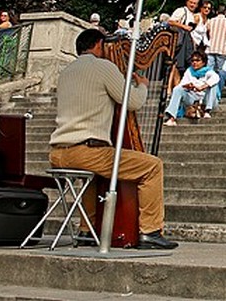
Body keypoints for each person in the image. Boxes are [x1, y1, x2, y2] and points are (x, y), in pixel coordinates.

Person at [48, 28, 177, 249]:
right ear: (99, 45)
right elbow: (133, 102)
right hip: (85, 152)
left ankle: (86, 229)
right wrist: (143, 86)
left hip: (58, 153)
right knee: (152, 166)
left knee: (94, 176)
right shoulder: (103, 67)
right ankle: (150, 231)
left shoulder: (66, 71)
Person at [163, 51, 219, 125]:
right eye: (193, 60)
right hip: (193, 98)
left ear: (203, 62)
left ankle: (207, 111)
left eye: (197, 60)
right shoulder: (189, 71)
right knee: (177, 89)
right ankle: (171, 118)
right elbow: (182, 84)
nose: (194, 63)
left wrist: (202, 87)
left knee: (213, 86)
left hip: (206, 100)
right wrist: (188, 86)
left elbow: (216, 78)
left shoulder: (209, 72)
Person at [204, 4, 226, 95]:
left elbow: (206, 31)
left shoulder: (211, 21)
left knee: (209, 70)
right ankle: (217, 90)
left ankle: (207, 88)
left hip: (211, 48)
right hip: (222, 48)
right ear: (225, 12)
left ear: (217, 12)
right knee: (221, 71)